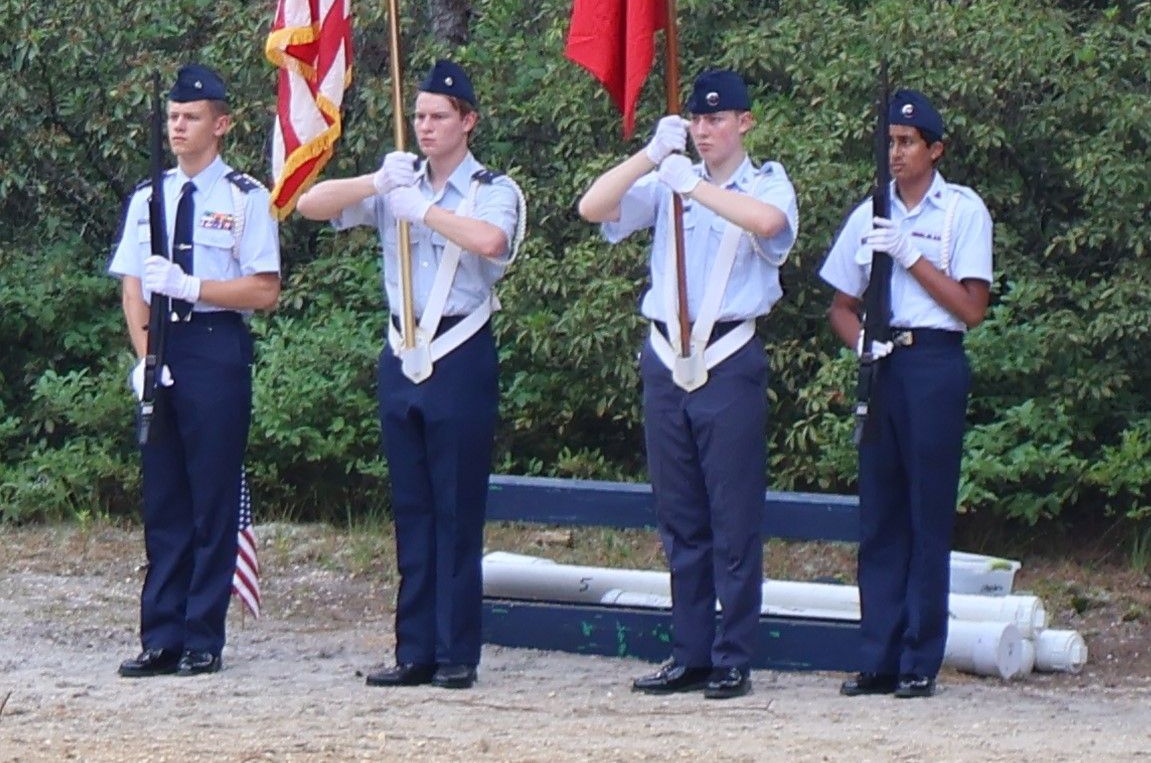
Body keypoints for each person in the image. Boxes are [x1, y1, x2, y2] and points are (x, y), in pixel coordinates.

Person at [296, 59, 524, 690]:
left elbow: (490, 243)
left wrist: (421, 209)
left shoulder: (490, 188)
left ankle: (457, 652)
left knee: (457, 507)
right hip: (403, 351)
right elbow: (309, 205)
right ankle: (414, 648)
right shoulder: (396, 181)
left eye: (438, 116)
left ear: (467, 122)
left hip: (460, 350)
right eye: (419, 115)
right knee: (412, 509)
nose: (425, 126)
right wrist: (373, 181)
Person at [578, 69, 797, 700]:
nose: (705, 130)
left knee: (733, 518)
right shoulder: (669, 176)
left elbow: (767, 224)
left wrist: (693, 186)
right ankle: (691, 651)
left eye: (718, 119)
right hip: (668, 356)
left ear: (744, 123)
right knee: (681, 519)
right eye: (698, 120)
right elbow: (594, 207)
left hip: (729, 355)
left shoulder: (764, 180)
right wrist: (650, 156)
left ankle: (734, 655)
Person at [109, 64, 281, 678]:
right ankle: (160, 635)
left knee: (212, 499)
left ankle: (203, 636)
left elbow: (264, 290)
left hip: (214, 348)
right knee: (164, 500)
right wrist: (143, 358)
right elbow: (133, 285)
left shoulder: (244, 197)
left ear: (221, 124)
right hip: (163, 351)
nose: (179, 128)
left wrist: (195, 286)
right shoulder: (147, 197)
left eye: (191, 118)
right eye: (173, 118)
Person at [821, 88, 993, 700]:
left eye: (906, 142)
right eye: (889, 142)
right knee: (880, 515)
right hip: (886, 363)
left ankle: (921, 655)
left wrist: (911, 255)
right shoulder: (869, 210)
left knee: (926, 512)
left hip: (935, 363)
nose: (895, 153)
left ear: (934, 149)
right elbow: (840, 305)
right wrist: (865, 341)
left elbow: (972, 308)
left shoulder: (960, 212)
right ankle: (879, 654)